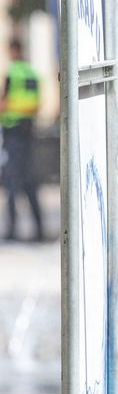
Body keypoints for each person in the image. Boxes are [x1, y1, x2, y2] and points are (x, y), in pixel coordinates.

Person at [1, 38, 46, 243]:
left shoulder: (13, 73)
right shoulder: (32, 73)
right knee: (29, 181)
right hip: (28, 131)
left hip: (12, 132)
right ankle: (39, 228)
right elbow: (35, 105)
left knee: (11, 180)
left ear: (13, 51)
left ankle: (12, 229)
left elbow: (6, 102)